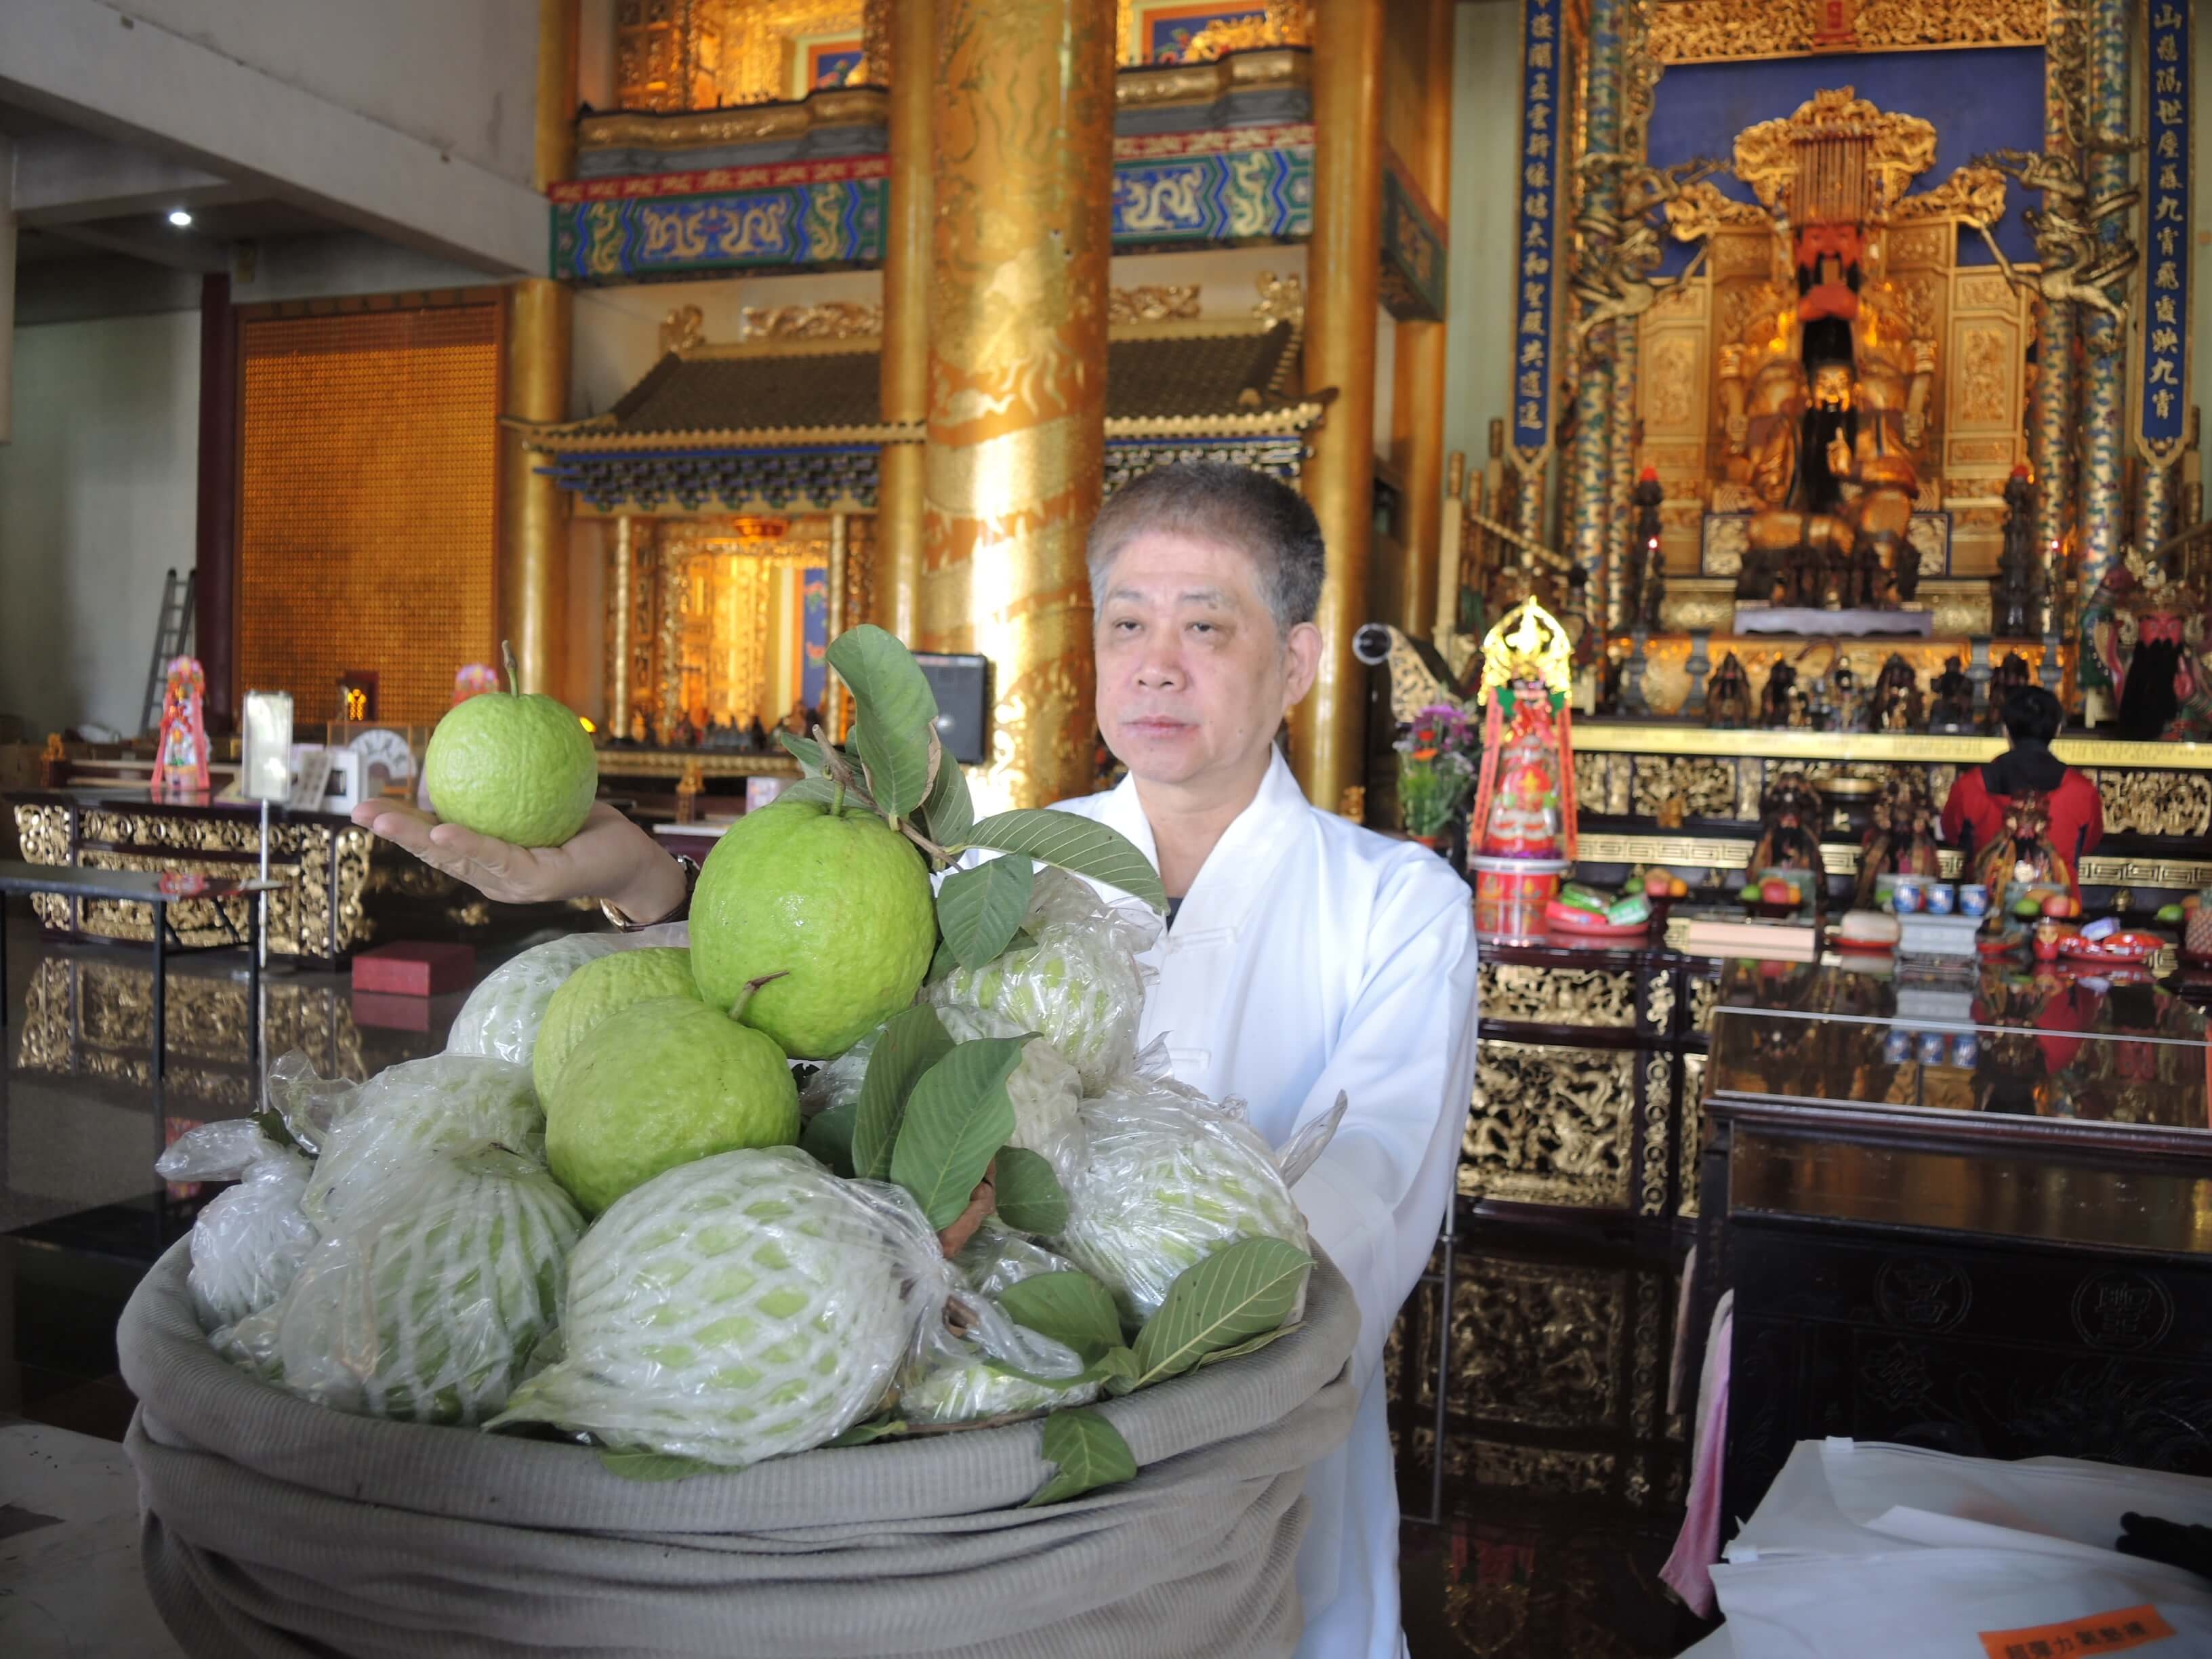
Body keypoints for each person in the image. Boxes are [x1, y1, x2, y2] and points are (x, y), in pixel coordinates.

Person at [354, 461, 1481, 1659]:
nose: (1157, 662)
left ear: (1297, 661)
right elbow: (822, 1016)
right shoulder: (1006, 874)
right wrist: (635, 877)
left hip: (1252, 1475)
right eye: (1126, 623)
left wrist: (1104, 1327)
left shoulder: (1395, 906)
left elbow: (1361, 1199)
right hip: (998, 1461)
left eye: (1205, 625)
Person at [1940, 684, 2104, 877]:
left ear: (2005, 731)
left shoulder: (1970, 786)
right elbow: (2088, 843)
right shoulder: (2082, 791)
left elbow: (1953, 834)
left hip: (1984, 903)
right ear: (2058, 730)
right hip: (2060, 903)